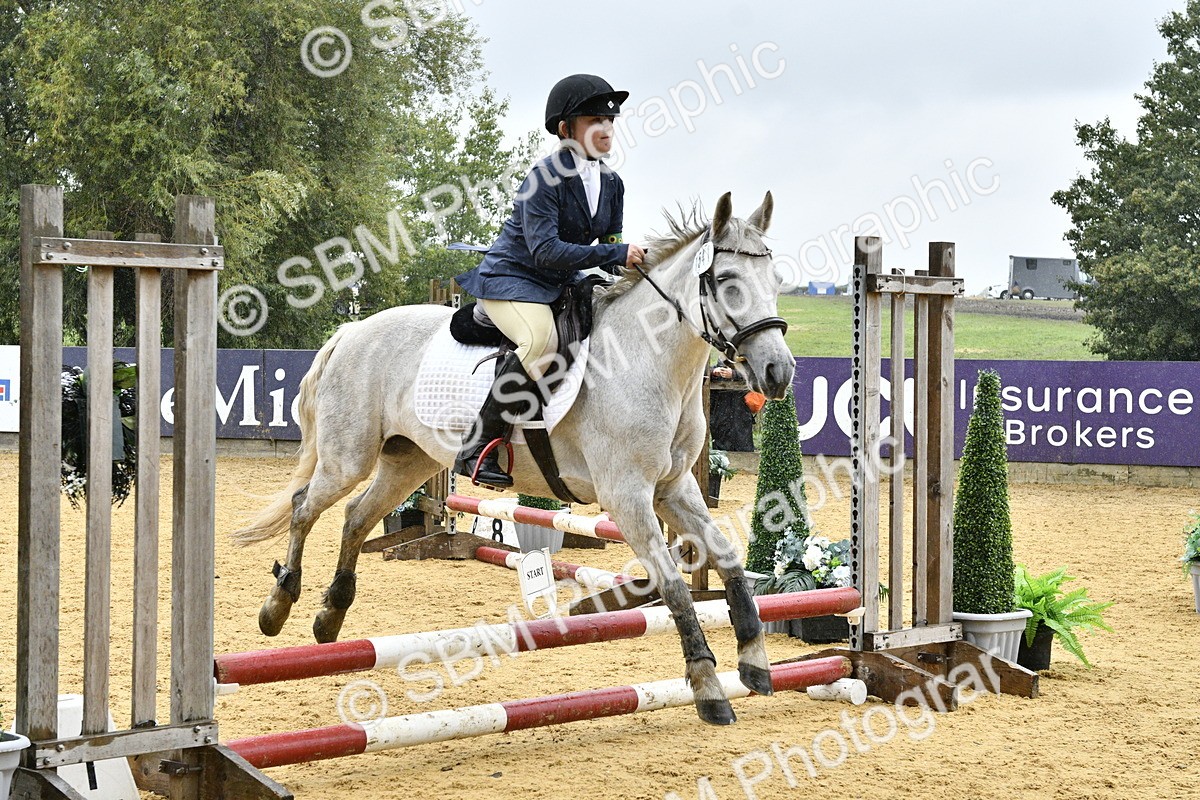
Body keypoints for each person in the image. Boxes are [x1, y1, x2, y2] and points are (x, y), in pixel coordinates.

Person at [453, 74, 646, 487]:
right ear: (566, 129)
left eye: (611, 120)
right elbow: (546, 252)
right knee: (540, 341)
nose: (607, 128)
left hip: (561, 282)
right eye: (595, 119)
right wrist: (613, 253)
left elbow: (612, 243)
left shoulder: (612, 183)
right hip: (514, 278)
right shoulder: (544, 177)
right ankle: (477, 447)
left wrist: (632, 272)